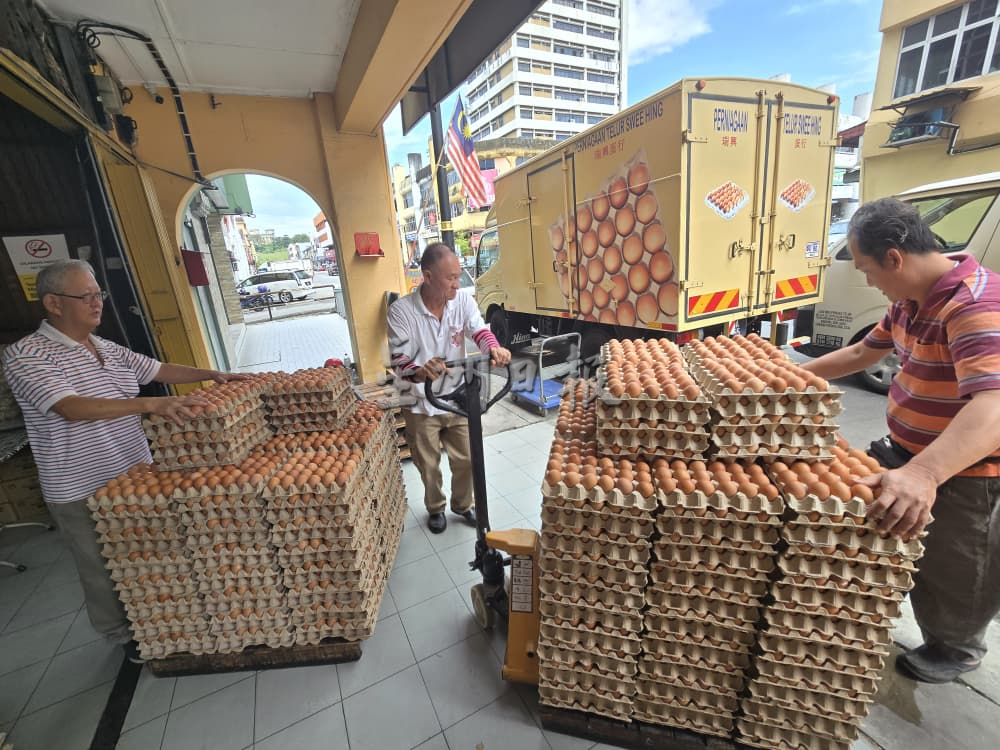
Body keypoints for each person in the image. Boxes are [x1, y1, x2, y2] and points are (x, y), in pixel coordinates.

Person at [2, 259, 247, 662]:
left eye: (99, 294)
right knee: (102, 567)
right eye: (86, 296)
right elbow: (71, 408)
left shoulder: (104, 346)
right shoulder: (27, 355)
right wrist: (153, 403)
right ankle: (122, 635)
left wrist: (215, 374)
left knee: (145, 555)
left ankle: (160, 622)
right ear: (53, 303)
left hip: (133, 474)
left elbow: (156, 369)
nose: (97, 303)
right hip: (79, 485)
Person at [801, 198, 1000, 684]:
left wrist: (925, 473)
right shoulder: (910, 299)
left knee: (957, 566)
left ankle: (956, 648)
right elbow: (862, 351)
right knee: (898, 545)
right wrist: (788, 376)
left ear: (894, 257)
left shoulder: (974, 304)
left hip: (964, 467)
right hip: (907, 448)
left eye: (868, 270)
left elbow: (993, 405)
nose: (869, 281)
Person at [387, 243, 511, 534]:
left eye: (458, 276)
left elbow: (478, 330)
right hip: (419, 399)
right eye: (450, 278)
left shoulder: (462, 302)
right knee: (428, 465)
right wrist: (419, 372)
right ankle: (436, 508)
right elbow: (398, 359)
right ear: (427, 277)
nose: (458, 284)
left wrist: (494, 349)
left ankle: (461, 504)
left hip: (457, 397)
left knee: (468, 458)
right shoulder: (401, 311)